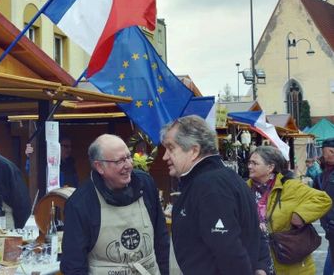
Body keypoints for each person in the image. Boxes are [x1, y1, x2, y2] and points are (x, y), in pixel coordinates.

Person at [160, 115, 262, 275]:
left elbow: (229, 252)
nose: (165, 156)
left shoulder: (209, 186)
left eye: (171, 148)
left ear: (194, 151)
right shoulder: (224, 177)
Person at [61, 134, 170, 275]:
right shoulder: (80, 203)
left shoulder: (146, 184)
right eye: (119, 161)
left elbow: (161, 240)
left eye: (128, 157)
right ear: (99, 166)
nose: (129, 165)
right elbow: (73, 265)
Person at [248, 145, 331, 275]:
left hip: (289, 261)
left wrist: (300, 215)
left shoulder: (290, 186)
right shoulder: (243, 188)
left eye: (255, 163)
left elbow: (323, 199)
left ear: (270, 167)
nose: (249, 166)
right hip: (257, 260)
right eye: (249, 162)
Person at [314, 138, 334, 275]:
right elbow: (314, 199)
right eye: (329, 151)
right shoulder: (320, 177)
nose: (330, 154)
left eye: (332, 151)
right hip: (329, 226)